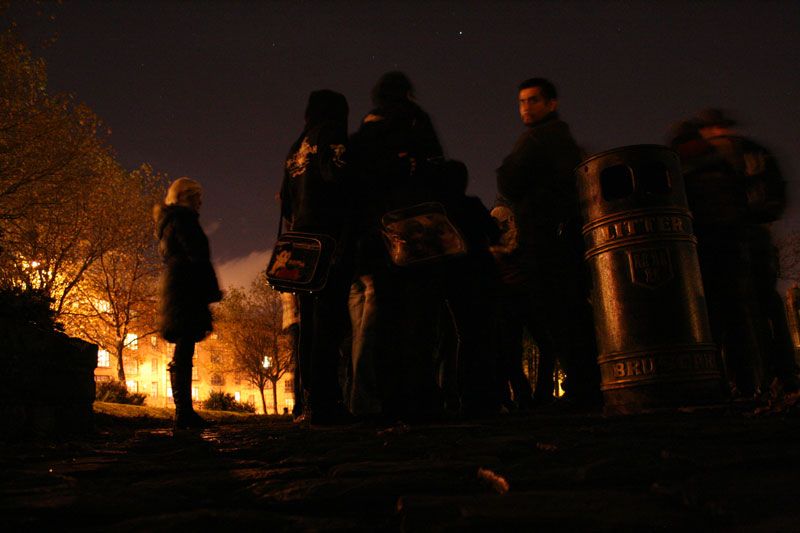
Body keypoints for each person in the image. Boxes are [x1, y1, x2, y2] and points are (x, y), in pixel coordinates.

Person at [495, 77, 600, 407]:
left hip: (547, 243)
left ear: (551, 103)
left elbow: (509, 179)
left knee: (561, 316)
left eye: (533, 100)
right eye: (522, 102)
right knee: (569, 316)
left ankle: (583, 391)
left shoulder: (539, 139)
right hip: (562, 239)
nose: (526, 107)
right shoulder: (562, 139)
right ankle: (586, 385)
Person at [347, 71, 445, 421]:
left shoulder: (368, 128)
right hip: (416, 232)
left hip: (375, 231)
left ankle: (377, 400)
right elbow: (437, 168)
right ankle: (418, 395)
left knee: (379, 322)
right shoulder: (417, 122)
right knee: (417, 319)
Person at [691, 109, 799, 394]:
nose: (717, 132)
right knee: (732, 311)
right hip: (722, 241)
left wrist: (759, 216)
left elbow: (774, 190)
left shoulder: (748, 155)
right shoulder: (704, 162)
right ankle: (745, 379)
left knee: (764, 305)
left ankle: (780, 374)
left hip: (748, 237)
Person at [279, 89, 353, 424]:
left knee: (307, 321)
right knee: (330, 319)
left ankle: (309, 398)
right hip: (328, 238)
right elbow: (338, 175)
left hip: (300, 242)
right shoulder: (332, 134)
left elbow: (285, 202)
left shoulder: (294, 147)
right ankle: (326, 399)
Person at [154, 177, 222, 430]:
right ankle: (183, 413)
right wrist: (211, 289)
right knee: (184, 349)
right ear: (188, 197)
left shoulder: (168, 221)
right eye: (198, 197)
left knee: (184, 348)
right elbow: (197, 255)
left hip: (177, 286)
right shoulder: (184, 219)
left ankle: (184, 412)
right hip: (186, 287)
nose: (201, 203)